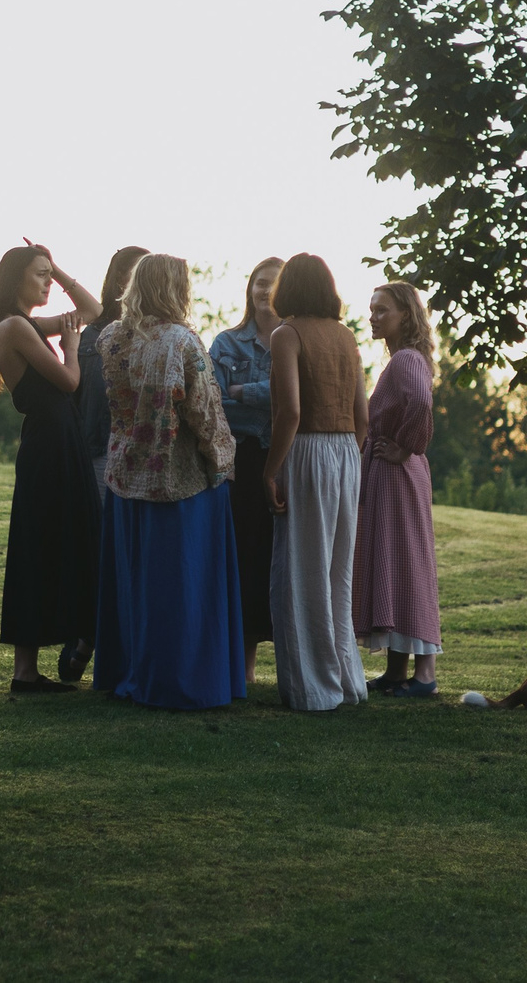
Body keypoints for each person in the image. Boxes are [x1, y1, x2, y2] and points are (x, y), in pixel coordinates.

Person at [93, 254, 243, 710]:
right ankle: (179, 681)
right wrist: (223, 461)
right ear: (173, 289)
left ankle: (129, 672)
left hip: (124, 475)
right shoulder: (182, 342)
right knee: (180, 588)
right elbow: (203, 412)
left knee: (135, 584)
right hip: (178, 482)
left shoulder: (110, 337)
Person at [0, 242, 103, 694]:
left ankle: (31, 669)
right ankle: (26, 671)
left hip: (61, 442)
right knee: (41, 544)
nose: (48, 283)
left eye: (49, 275)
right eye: (39, 275)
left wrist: (61, 270)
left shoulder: (28, 324)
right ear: (16, 279)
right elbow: (70, 381)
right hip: (48, 448)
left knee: (57, 540)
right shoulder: (14, 327)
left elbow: (92, 308)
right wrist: (70, 347)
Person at [264, 252, 370, 712]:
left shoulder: (286, 334)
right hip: (347, 451)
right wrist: (348, 455)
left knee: (301, 572)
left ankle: (313, 689)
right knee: (337, 573)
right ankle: (347, 682)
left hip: (306, 450)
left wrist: (271, 470)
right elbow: (362, 416)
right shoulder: (346, 337)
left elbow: (290, 411)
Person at [357, 281, 442, 696]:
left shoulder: (407, 358)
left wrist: (406, 447)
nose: (373, 316)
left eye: (382, 310)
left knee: (407, 561)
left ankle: (424, 675)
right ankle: (396, 672)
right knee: (394, 559)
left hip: (398, 473)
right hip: (394, 472)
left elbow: (421, 404)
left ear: (405, 315)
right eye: (371, 309)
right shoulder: (406, 358)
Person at [211, 257, 285, 679]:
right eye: (259, 283)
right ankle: (244, 669)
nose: (265, 291)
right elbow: (216, 401)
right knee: (241, 560)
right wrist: (268, 394)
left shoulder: (295, 340)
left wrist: (244, 390)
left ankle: (282, 665)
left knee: (276, 561)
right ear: (249, 288)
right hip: (238, 461)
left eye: (274, 284)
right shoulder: (226, 343)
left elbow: (299, 399)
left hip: (281, 460)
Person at [76, 246, 150, 501]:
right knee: (101, 530)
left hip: (143, 455)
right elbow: (78, 396)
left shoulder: (159, 335)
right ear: (120, 280)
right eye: (140, 272)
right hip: (98, 451)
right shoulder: (92, 335)